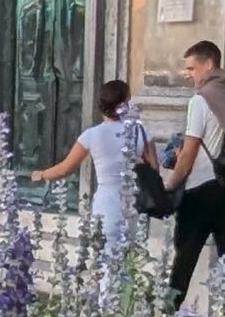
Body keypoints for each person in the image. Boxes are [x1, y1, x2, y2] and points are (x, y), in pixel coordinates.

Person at [166, 39, 225, 309]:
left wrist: (171, 184)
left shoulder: (200, 101)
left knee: (184, 257)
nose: (187, 74)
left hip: (200, 188)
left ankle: (166, 315)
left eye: (192, 68)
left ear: (209, 65)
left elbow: (189, 152)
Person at [31, 79, 151, 251]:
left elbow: (66, 168)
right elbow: (153, 166)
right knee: (131, 258)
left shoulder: (92, 135)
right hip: (134, 202)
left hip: (106, 204)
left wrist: (42, 174)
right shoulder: (140, 131)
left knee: (106, 257)